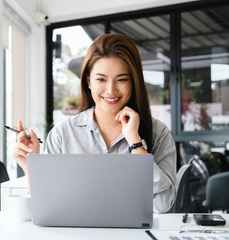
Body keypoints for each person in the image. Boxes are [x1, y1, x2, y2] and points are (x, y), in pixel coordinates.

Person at [13, 33, 177, 214]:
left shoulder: (159, 133)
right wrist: (31, 168)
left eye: (122, 79)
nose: (111, 90)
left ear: (134, 82)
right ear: (88, 81)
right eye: (101, 79)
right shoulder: (62, 134)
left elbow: (163, 204)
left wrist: (136, 143)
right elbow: (48, 207)